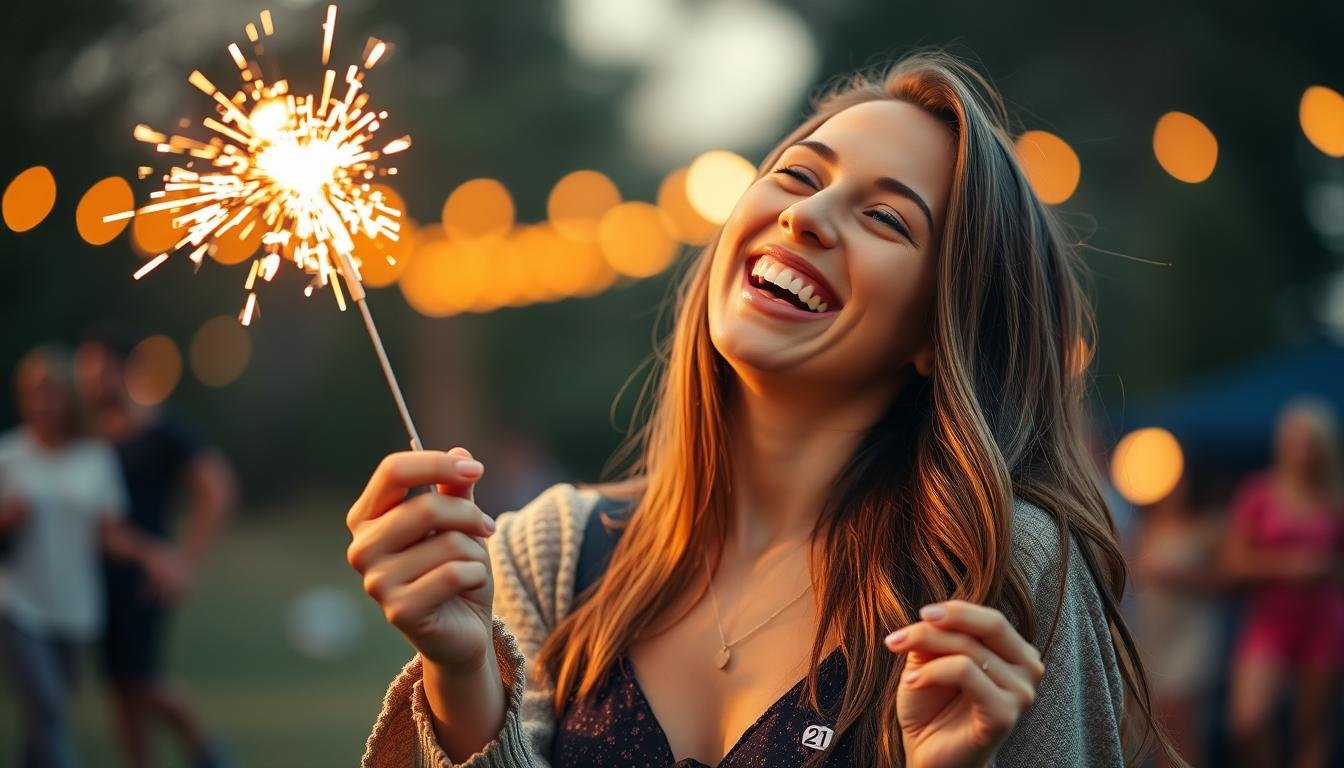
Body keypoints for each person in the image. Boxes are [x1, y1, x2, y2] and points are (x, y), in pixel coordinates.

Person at [350, 51, 1177, 767]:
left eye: (885, 217)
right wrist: (461, 677)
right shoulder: (551, 555)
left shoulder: (1001, 571)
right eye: (798, 174)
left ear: (938, 330)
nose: (807, 215)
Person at [0, 346, 182, 768]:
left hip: (75, 611)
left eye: (50, 392)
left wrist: (151, 554)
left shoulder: (94, 458)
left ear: (68, 397)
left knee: (41, 721)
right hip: (18, 607)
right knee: (48, 709)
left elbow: (109, 535)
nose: (41, 403)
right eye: (32, 392)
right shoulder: (9, 457)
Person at [73, 332, 236, 768]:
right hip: (96, 573)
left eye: (100, 370)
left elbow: (216, 487)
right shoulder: (88, 437)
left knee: (142, 680)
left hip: (147, 576)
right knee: (120, 688)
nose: (90, 381)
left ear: (124, 371)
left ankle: (208, 752)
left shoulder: (160, 430)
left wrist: (185, 561)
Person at [1223, 398, 1344, 768]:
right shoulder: (1258, 493)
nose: (1299, 449)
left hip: (1324, 619)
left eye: (1309, 440)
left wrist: (1327, 566)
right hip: (1270, 621)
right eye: (1292, 439)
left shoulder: (1334, 497)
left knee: (1311, 730)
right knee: (1248, 721)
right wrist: (1292, 566)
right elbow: (1232, 564)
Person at [1132, 475, 1221, 768]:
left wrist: (1175, 575)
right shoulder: (1145, 528)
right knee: (1162, 724)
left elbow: (1221, 581)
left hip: (1190, 633)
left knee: (1184, 722)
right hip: (1156, 635)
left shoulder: (1204, 527)